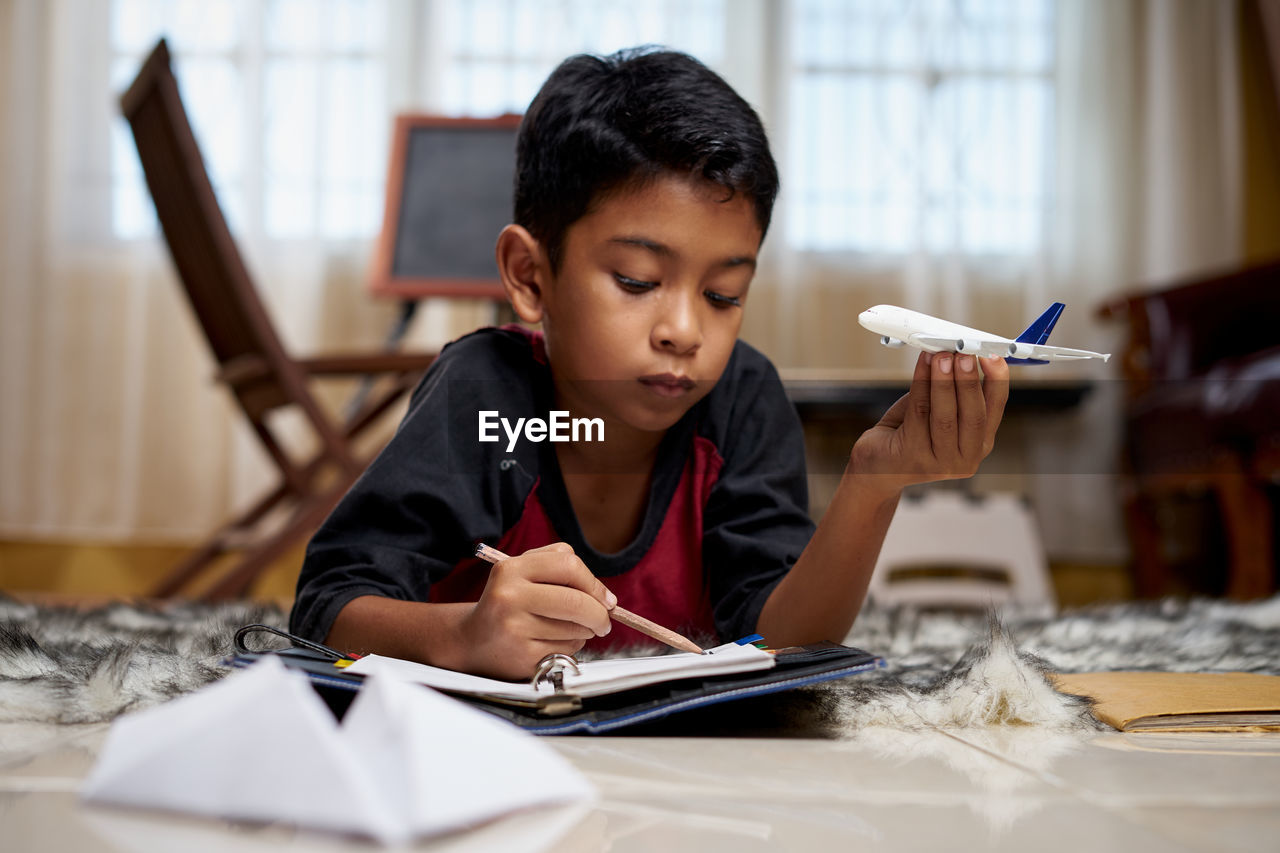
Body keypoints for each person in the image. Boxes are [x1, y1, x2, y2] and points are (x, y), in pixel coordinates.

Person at [290, 48, 1009, 680]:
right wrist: (467, 634)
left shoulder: (742, 399)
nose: (684, 330)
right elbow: (326, 611)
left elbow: (782, 645)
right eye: (636, 281)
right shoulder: (488, 396)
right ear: (531, 277)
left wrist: (873, 485)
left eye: (724, 293)